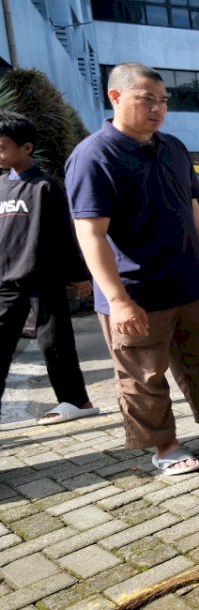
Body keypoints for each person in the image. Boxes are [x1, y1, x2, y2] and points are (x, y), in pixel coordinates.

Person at [65, 62, 199, 476]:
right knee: (144, 374)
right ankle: (164, 445)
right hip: (136, 290)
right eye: (146, 100)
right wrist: (118, 300)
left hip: (190, 280)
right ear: (115, 97)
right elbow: (91, 235)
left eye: (163, 101)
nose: (158, 109)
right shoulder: (94, 157)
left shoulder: (173, 147)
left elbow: (192, 207)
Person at [0, 111, 99, 425]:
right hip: (6, 281)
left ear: (26, 148)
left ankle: (76, 401)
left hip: (43, 278)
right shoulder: (0, 186)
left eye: (2, 147)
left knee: (54, 342)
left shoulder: (45, 187)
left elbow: (64, 235)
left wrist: (79, 275)